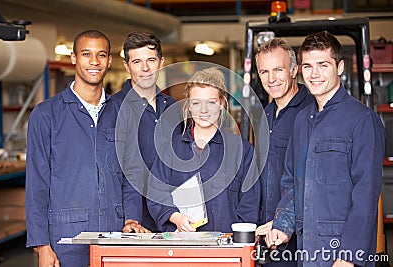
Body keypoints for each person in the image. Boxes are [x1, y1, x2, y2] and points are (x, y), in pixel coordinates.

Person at [25, 30, 147, 267]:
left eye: (101, 55)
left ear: (109, 61)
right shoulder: (46, 115)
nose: (94, 62)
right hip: (65, 241)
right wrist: (42, 246)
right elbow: (37, 184)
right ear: (73, 58)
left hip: (115, 237)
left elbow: (131, 177)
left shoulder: (124, 114)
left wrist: (131, 218)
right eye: (86, 54)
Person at [266, 31, 385, 267]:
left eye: (323, 65)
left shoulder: (362, 119)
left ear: (340, 67)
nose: (315, 74)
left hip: (342, 251)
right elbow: (291, 183)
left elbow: (366, 194)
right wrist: (283, 225)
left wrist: (349, 256)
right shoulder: (301, 121)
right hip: (306, 248)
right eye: (308, 66)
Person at [147, 67, 260, 232]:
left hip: (225, 252)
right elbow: (156, 192)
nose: (204, 110)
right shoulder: (170, 149)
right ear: (189, 106)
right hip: (182, 248)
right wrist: (175, 217)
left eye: (211, 102)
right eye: (196, 103)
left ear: (222, 103)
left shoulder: (242, 151)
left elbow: (249, 206)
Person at [254, 37, 314, 266]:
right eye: (264, 71)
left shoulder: (310, 112)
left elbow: (309, 180)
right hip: (266, 234)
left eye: (278, 70)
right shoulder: (265, 114)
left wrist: (284, 221)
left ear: (294, 70)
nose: (271, 79)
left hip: (297, 235)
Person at [113, 31, 180, 232]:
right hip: (133, 221)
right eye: (137, 62)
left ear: (161, 62)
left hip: (173, 216)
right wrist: (129, 218)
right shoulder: (113, 109)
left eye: (151, 60)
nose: (145, 68)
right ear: (127, 66)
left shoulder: (173, 107)